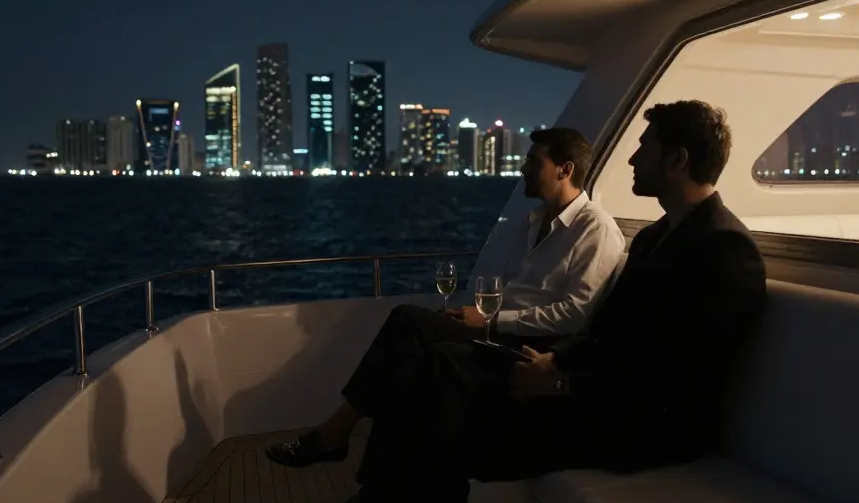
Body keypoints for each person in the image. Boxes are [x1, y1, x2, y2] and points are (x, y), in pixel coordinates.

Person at [267, 100, 768, 503]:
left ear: (677, 159)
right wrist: (560, 366)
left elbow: (678, 374)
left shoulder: (724, 251)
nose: (633, 157)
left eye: (646, 147)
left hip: (643, 427)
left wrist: (562, 379)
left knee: (445, 418)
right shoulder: (659, 235)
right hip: (593, 389)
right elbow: (609, 333)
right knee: (439, 383)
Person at [266, 127, 624, 469]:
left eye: (534, 161)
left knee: (407, 322)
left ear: (565, 169)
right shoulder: (531, 222)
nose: (523, 167)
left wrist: (491, 320)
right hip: (498, 331)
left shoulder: (596, 229)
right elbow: (509, 288)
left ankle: (336, 434)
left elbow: (575, 315)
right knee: (410, 358)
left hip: (531, 348)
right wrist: (475, 315)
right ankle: (367, 492)